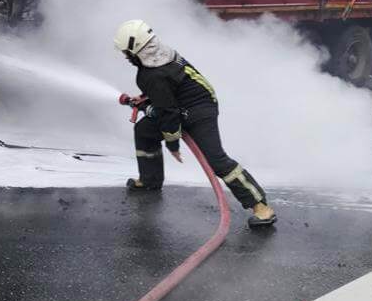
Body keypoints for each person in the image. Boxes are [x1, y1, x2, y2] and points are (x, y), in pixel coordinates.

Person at [114, 19, 277, 228]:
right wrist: (148, 99)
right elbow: (170, 89)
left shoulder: (150, 74)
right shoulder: (162, 55)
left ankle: (261, 207)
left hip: (200, 109)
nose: (125, 57)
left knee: (216, 160)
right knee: (144, 129)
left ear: (136, 50)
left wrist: (173, 144)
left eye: (126, 52)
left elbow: (168, 112)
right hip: (185, 103)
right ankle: (149, 180)